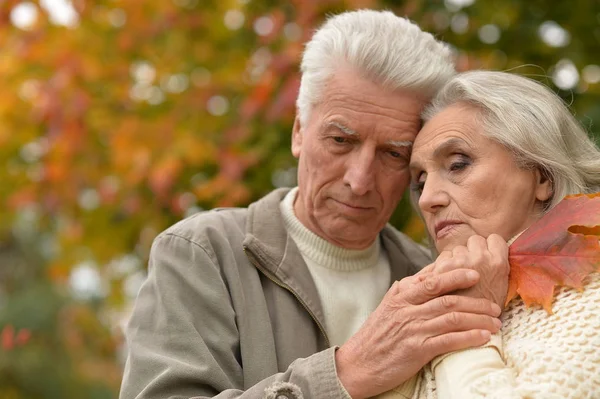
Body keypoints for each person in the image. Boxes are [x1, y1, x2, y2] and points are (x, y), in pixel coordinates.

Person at [119, 10, 508, 399]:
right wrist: (345, 373)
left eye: (393, 153)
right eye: (340, 140)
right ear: (299, 131)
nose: (359, 180)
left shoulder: (433, 278)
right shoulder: (201, 255)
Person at [390, 70, 600, 398]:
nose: (428, 198)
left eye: (457, 164)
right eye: (419, 182)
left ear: (541, 177)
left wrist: (464, 330)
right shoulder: (416, 312)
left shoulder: (591, 303)